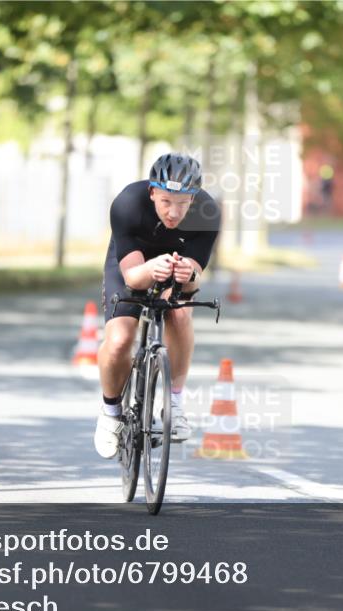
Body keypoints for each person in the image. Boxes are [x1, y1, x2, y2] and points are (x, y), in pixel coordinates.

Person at [94, 153, 221, 459]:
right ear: (152, 192)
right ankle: (110, 412)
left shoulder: (208, 213)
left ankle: (175, 404)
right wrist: (151, 270)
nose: (173, 212)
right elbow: (134, 277)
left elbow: (193, 280)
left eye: (182, 202)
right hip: (134, 264)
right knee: (121, 338)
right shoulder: (128, 203)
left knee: (178, 314)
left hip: (174, 266)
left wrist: (187, 274)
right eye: (165, 201)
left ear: (194, 198)